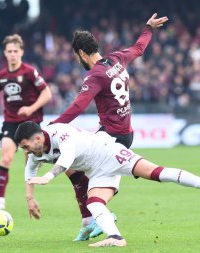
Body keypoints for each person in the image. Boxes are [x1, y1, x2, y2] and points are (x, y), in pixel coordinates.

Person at [14, 121, 200, 248]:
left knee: (156, 173)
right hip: (96, 171)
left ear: (37, 139)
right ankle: (116, 237)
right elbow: (29, 171)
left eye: (26, 146)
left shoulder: (59, 132)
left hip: (109, 152)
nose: (26, 151)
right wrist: (30, 198)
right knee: (95, 203)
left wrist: (49, 177)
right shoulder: (36, 153)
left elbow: (67, 157)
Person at [51, 13, 169, 241]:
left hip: (110, 138)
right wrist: (148, 28)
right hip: (124, 134)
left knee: (71, 165)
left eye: (78, 56)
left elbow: (78, 106)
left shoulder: (95, 76)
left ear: (82, 53)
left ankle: (97, 218)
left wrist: (54, 126)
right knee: (73, 166)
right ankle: (89, 221)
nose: (78, 60)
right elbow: (139, 48)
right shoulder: (116, 59)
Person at [0, 34, 52, 210]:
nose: (12, 54)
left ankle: (29, 197)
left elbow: (47, 93)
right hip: (10, 122)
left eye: (15, 51)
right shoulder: (1, 76)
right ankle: (0, 201)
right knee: (6, 157)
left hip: (30, 122)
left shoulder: (29, 72)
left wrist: (31, 108)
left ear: (21, 52)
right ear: (5, 53)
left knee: (29, 161)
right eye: (9, 51)